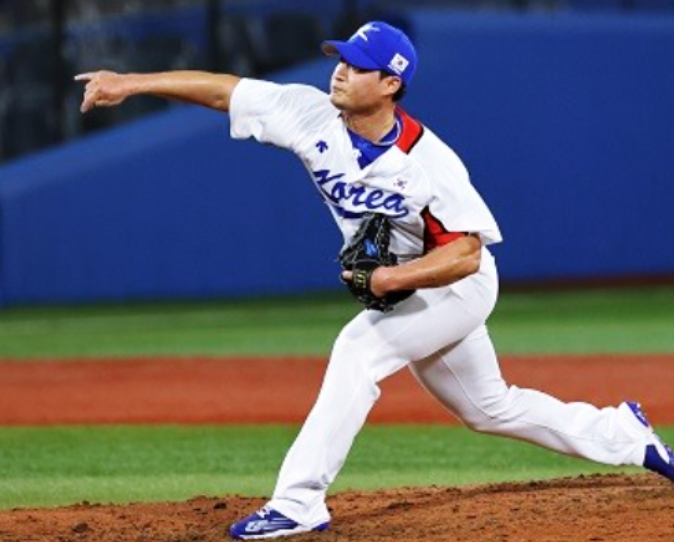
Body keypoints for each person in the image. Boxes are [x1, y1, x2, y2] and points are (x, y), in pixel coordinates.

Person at [76, 20, 674, 541]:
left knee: (357, 350)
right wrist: (131, 83)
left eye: (358, 66)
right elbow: (224, 90)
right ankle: (624, 434)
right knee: (488, 407)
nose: (340, 71)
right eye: (340, 59)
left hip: (455, 287)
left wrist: (390, 277)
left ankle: (298, 501)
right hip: (412, 287)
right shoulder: (310, 114)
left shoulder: (429, 162)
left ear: (390, 84)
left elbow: (467, 253)